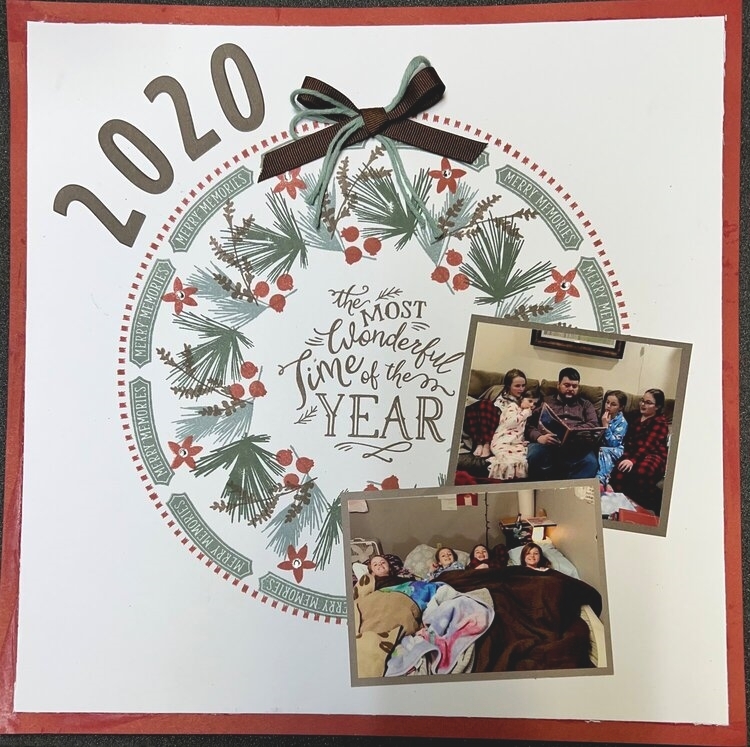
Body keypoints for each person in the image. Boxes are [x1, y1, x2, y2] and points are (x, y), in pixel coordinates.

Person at [525, 367, 599, 480]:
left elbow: (593, 423)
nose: (571, 389)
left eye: (574, 386)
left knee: (591, 463)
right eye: (567, 385)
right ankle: (544, 488)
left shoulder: (585, 405)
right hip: (547, 444)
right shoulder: (545, 401)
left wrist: (573, 430)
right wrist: (539, 437)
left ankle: (569, 489)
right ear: (558, 385)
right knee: (534, 454)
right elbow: (529, 424)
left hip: (576, 447)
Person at [609, 388, 669, 515]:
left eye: (648, 402)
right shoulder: (635, 416)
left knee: (642, 471)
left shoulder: (660, 422)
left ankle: (649, 508)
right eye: (642, 400)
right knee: (618, 473)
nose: (643, 404)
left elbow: (648, 445)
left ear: (657, 407)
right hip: (633, 451)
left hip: (653, 454)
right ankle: (621, 507)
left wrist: (632, 460)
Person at [462, 369, 527, 458]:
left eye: (523, 385)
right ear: (508, 385)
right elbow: (481, 402)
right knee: (481, 406)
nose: (521, 389)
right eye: (517, 386)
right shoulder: (497, 390)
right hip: (486, 419)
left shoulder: (524, 400)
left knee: (487, 406)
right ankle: (479, 444)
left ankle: (486, 444)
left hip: (500, 424)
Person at [486, 388, 538, 480]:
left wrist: (523, 440)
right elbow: (510, 424)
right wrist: (525, 413)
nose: (532, 405)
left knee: (521, 461)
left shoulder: (527, 414)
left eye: (534, 403)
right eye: (530, 401)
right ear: (522, 398)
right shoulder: (513, 407)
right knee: (506, 461)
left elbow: (520, 431)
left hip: (516, 443)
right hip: (502, 441)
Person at [597, 390, 629, 489]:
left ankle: (601, 480)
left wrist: (606, 426)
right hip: (603, 448)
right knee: (601, 451)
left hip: (618, 449)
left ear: (621, 407)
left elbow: (614, 444)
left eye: (613, 404)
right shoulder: (603, 416)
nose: (608, 406)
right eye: (607, 402)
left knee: (604, 451)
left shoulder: (622, 422)